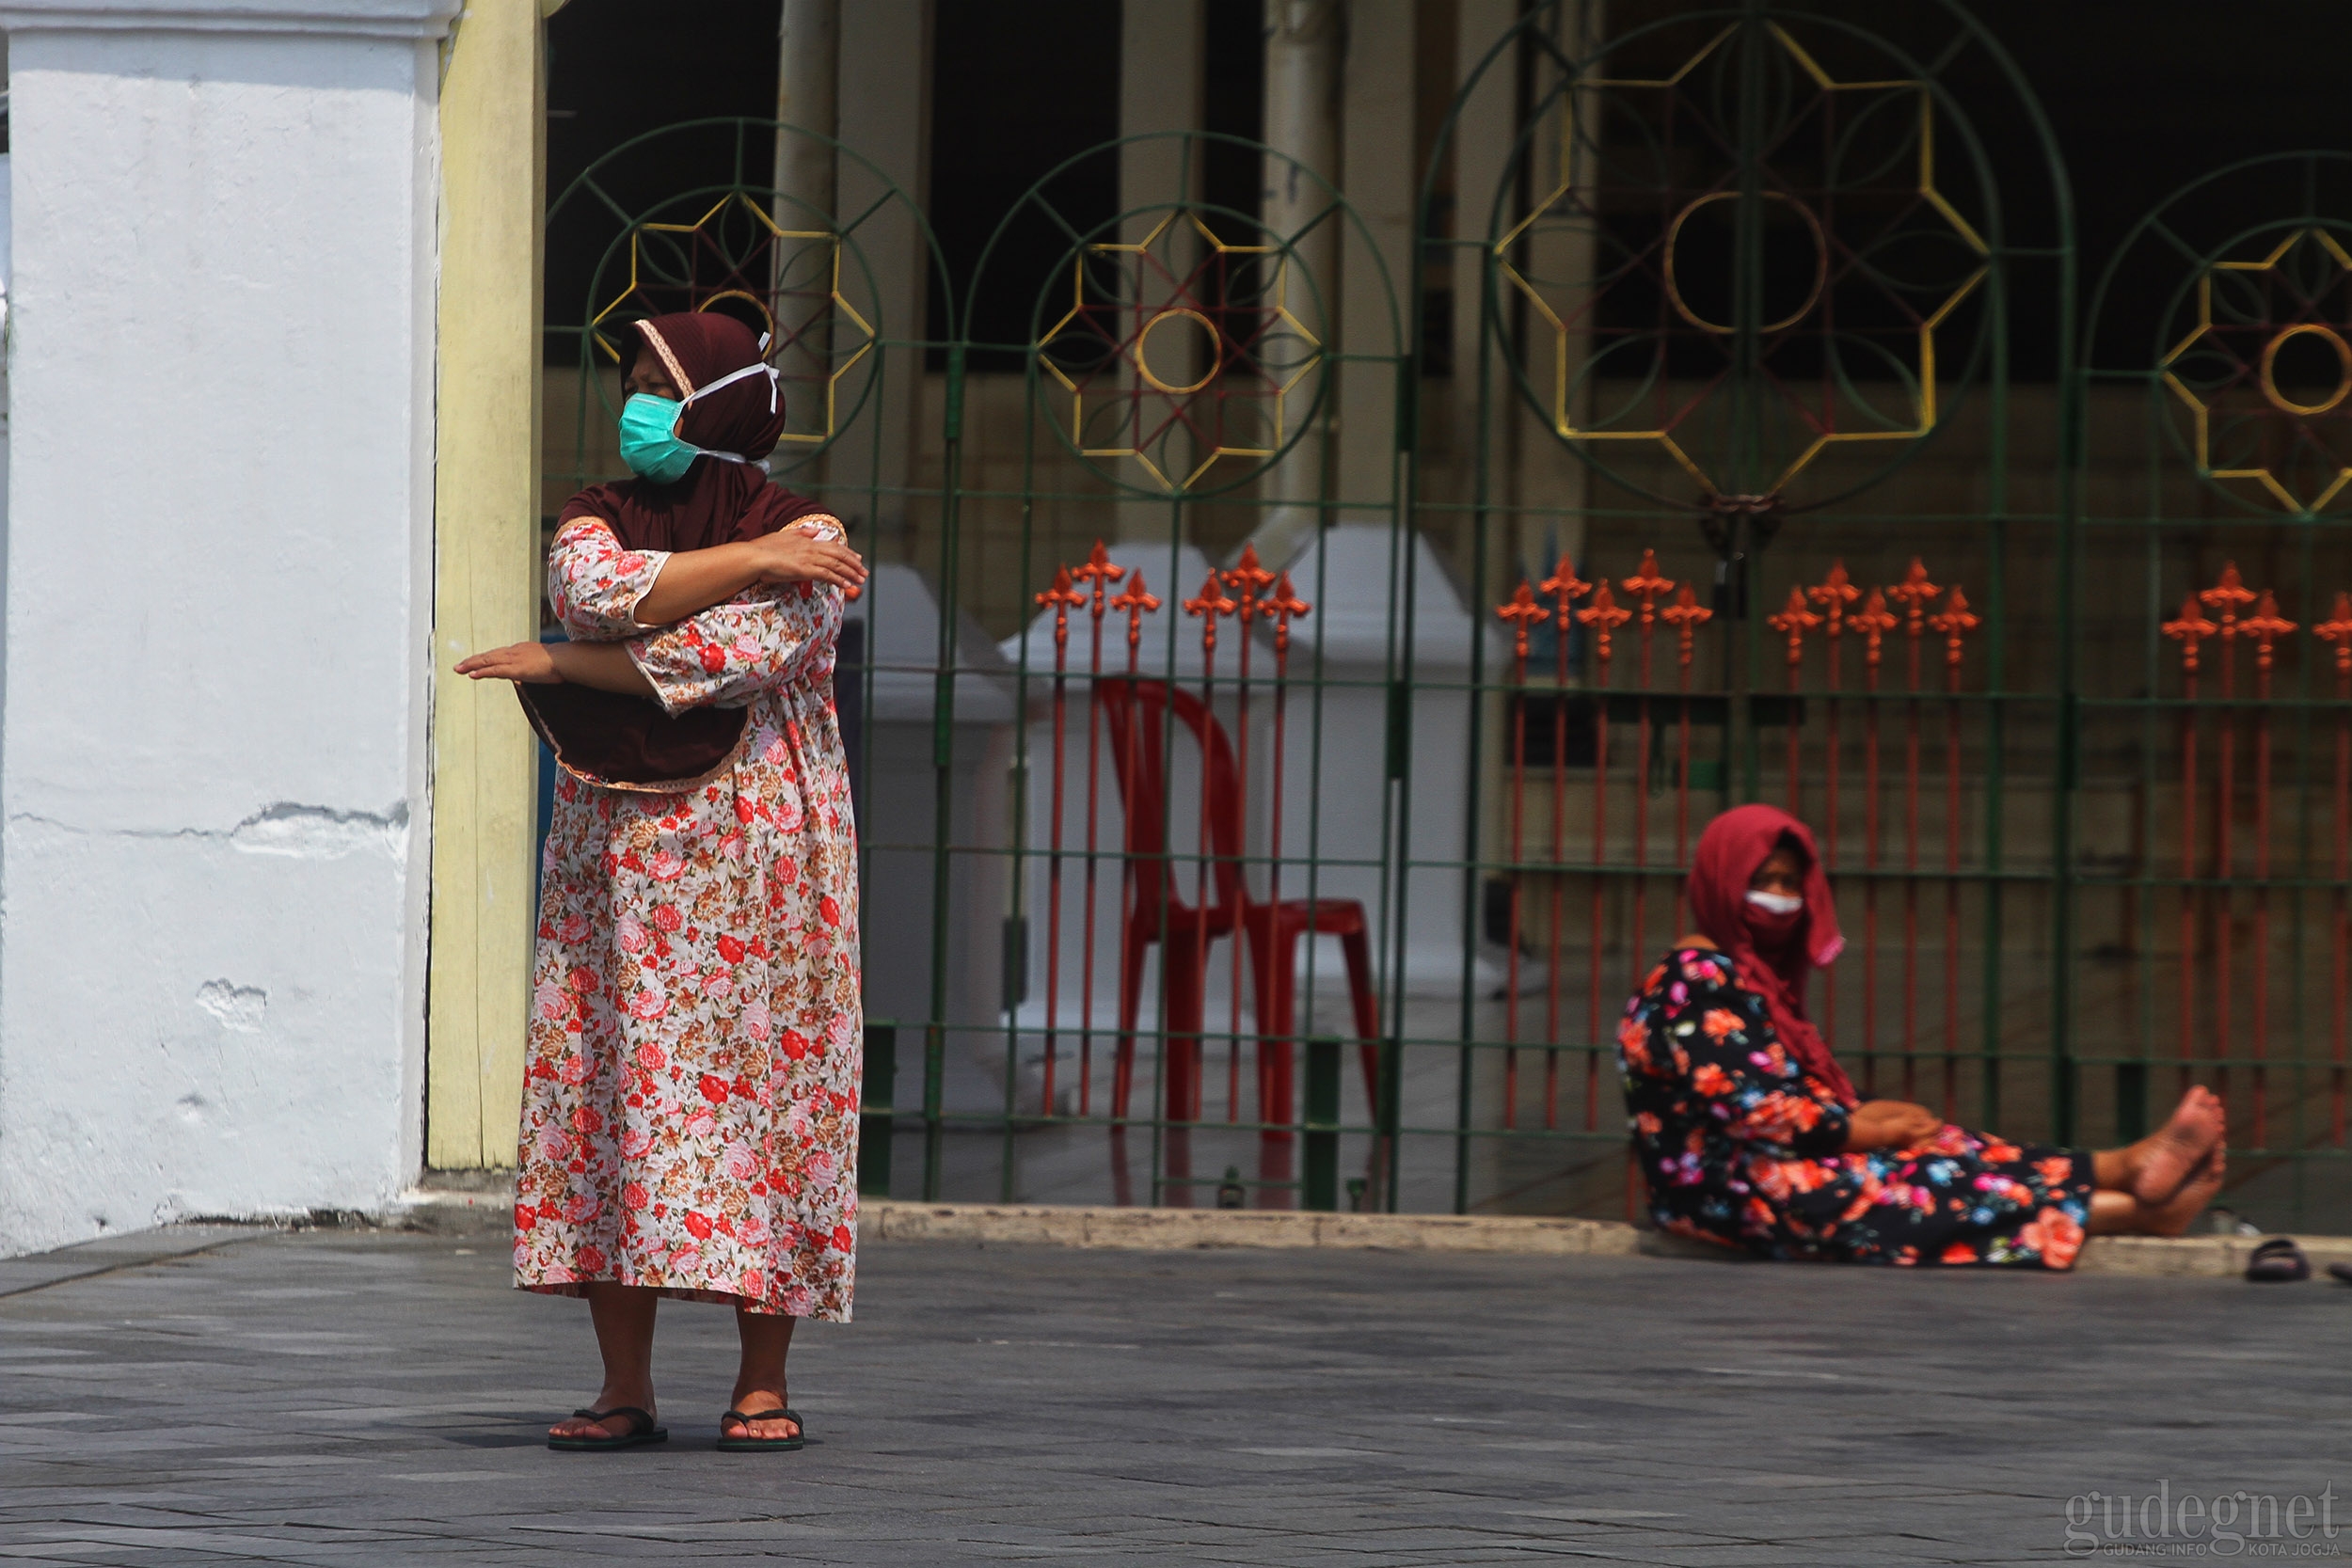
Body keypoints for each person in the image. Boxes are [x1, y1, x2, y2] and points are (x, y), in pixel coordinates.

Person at [455, 309, 870, 1450]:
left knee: (773, 1090)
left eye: (660, 384)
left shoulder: (812, 528)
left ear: (724, 400)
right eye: (633, 380)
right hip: (621, 863)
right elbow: (596, 590)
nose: (637, 404)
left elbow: (730, 659)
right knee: (616, 1089)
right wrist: (742, 562)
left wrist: (558, 661)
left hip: (764, 862)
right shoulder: (605, 509)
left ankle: (761, 1379)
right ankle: (622, 1383)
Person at [1620, 803, 2226, 1267]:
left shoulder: (1746, 979)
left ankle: (2121, 1168)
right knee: (1903, 1183)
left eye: (1789, 884)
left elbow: (1779, 1095)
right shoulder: (1695, 978)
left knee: (1948, 1146)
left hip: (1774, 1163)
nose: (1779, 900)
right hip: (1724, 1193)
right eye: (1763, 881)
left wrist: (1856, 1117)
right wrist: (1863, 1129)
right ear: (1721, 881)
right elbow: (1751, 1109)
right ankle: (2134, 1212)